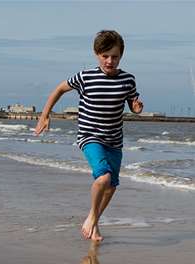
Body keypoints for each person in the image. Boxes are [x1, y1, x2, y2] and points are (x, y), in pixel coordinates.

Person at [35, 30, 143, 242]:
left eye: (115, 56)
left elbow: (133, 102)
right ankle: (92, 218)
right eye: (105, 56)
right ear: (96, 54)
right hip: (90, 136)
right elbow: (58, 89)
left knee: (111, 187)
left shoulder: (128, 79)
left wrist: (137, 107)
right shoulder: (85, 77)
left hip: (114, 141)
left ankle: (93, 221)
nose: (110, 61)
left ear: (121, 56)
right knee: (103, 177)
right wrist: (44, 116)